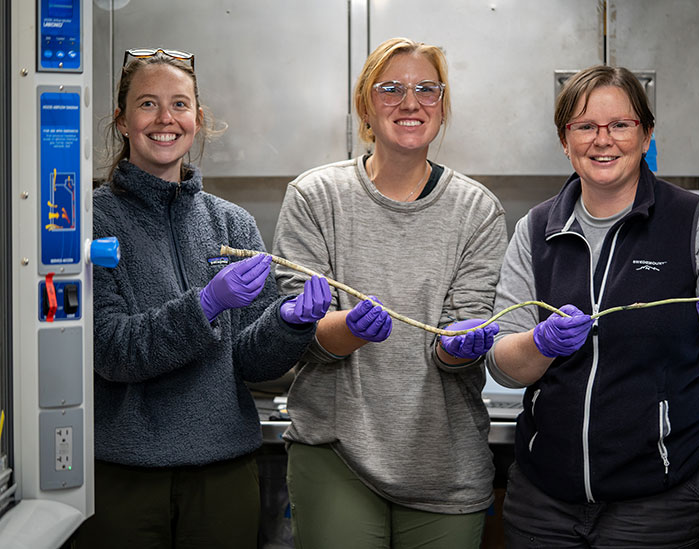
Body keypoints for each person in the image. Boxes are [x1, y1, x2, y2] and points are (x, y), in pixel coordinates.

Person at [486, 64, 699, 548]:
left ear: (645, 136)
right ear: (565, 139)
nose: (603, 140)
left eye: (620, 124)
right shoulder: (536, 231)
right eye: (585, 126)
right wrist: (541, 344)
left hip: (656, 507)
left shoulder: (696, 224)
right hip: (542, 504)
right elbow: (504, 365)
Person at [75, 48, 331, 549]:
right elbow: (110, 349)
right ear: (122, 121)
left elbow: (254, 363)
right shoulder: (89, 221)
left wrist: (288, 322)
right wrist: (206, 304)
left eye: (180, 105)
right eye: (147, 104)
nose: (165, 119)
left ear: (197, 120)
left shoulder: (231, 223)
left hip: (223, 473)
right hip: (124, 475)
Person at [271, 37, 507, 548]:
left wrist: (458, 343)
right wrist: (346, 330)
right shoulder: (316, 197)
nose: (409, 103)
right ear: (364, 104)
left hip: (445, 459)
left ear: (442, 106)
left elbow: (460, 340)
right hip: (335, 451)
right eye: (391, 89)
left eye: (427, 89)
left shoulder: (477, 210)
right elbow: (299, 338)